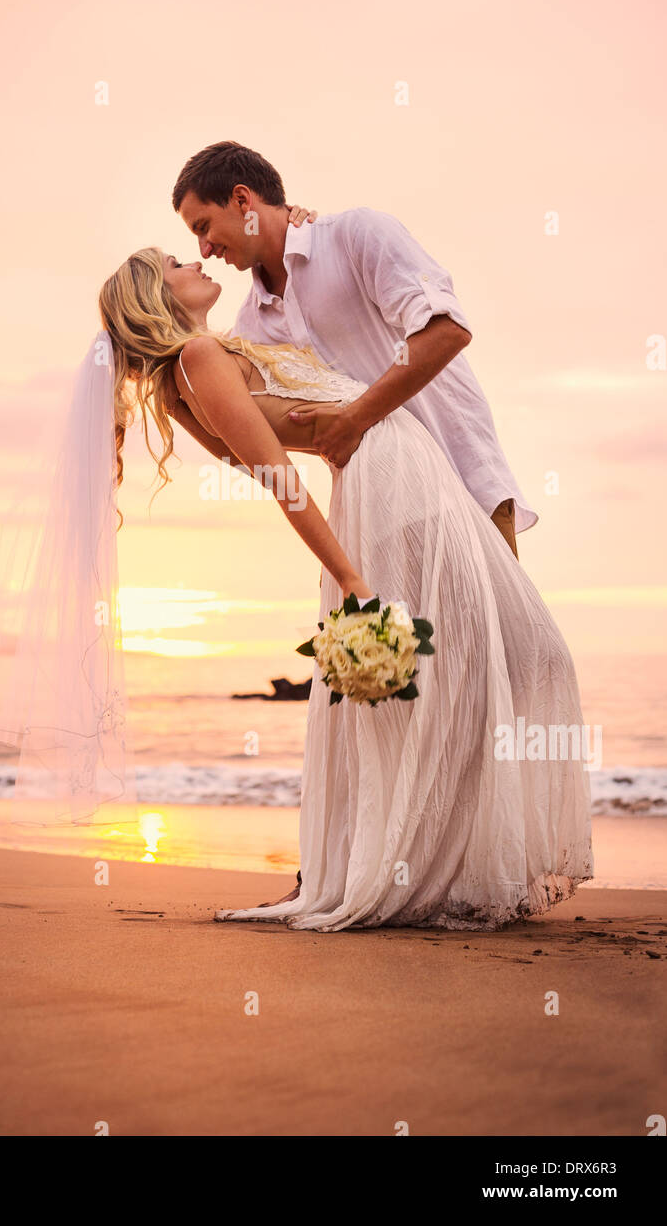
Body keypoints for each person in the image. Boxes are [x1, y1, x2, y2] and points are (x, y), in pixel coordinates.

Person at [92, 241, 593, 933]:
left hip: (393, 471)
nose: (197, 261)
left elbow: (259, 438)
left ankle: (444, 864)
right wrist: (348, 573)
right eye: (178, 261)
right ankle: (441, 866)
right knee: (520, 652)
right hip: (388, 475)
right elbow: (275, 478)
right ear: (156, 295)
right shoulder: (196, 364)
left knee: (459, 670)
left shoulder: (196, 372)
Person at [172, 140, 533, 559]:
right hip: (376, 518)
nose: (204, 250)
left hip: (462, 483)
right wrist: (166, 388)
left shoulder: (355, 235)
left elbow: (448, 330)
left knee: (487, 626)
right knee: (375, 627)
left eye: (203, 226)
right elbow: (246, 443)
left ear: (241, 199)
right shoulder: (251, 326)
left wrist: (355, 418)